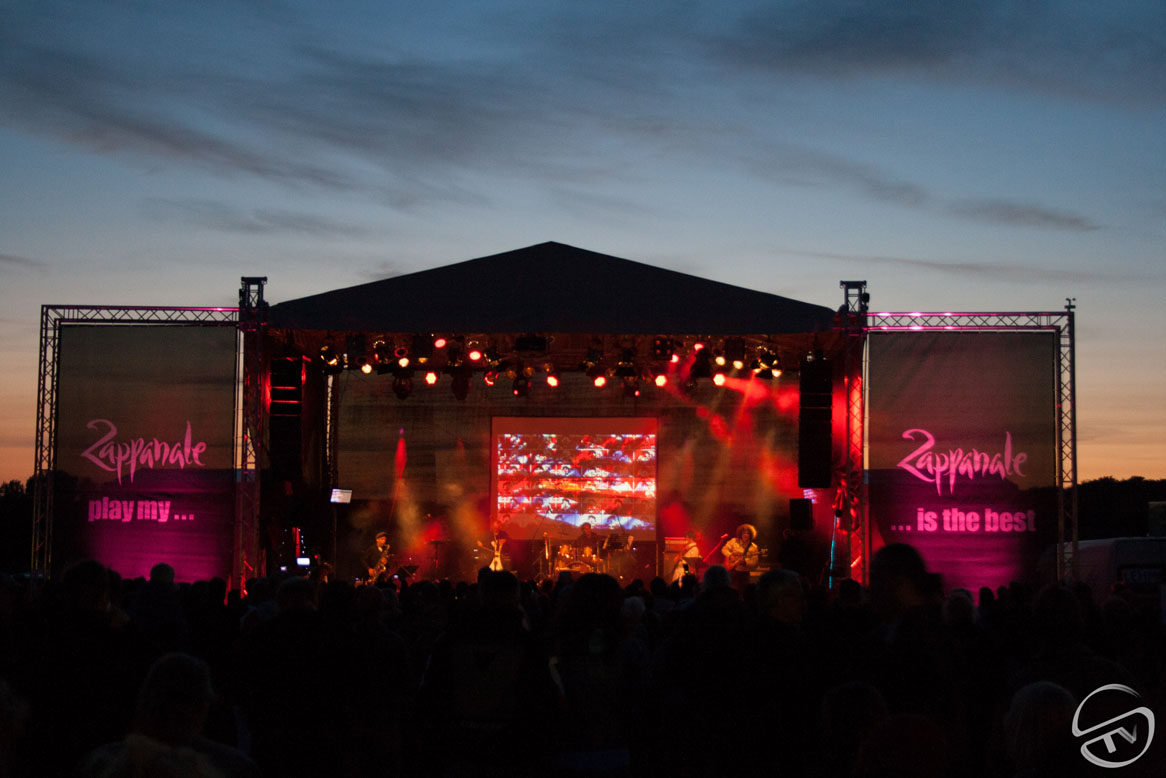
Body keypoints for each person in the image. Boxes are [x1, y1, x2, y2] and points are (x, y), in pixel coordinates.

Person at [721, 523, 759, 591]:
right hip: (732, 571)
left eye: (747, 533)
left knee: (743, 591)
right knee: (729, 590)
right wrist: (730, 556)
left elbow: (755, 563)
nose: (745, 535)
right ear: (740, 533)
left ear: (751, 535)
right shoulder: (733, 541)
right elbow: (724, 549)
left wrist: (745, 562)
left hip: (744, 573)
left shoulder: (754, 547)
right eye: (743, 533)